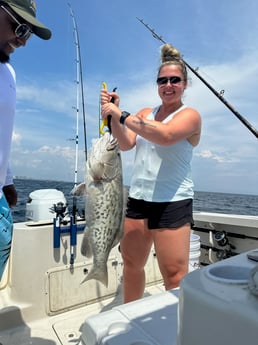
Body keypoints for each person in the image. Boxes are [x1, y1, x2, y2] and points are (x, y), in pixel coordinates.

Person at [101, 43, 201, 303]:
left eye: (174, 80)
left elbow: (165, 136)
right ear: (157, 84)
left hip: (172, 202)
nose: (168, 85)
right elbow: (126, 144)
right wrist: (113, 117)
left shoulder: (190, 116)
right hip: (138, 201)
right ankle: (131, 317)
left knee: (174, 274)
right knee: (131, 264)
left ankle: (176, 329)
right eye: (162, 81)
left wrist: (121, 114)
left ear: (185, 84)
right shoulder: (145, 113)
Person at [0, 0, 51, 280]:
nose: (22, 41)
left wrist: (6, 180)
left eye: (28, 32)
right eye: (19, 27)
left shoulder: (9, 72)